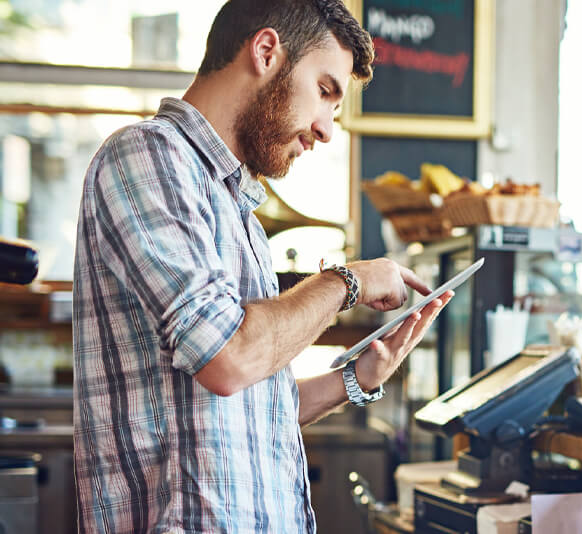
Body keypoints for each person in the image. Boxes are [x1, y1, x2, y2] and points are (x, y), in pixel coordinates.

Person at [72, 1, 452, 532]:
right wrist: (350, 281)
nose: (325, 130)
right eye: (325, 91)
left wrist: (356, 378)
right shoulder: (147, 158)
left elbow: (251, 409)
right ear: (267, 51)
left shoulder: (238, 209)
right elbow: (228, 359)